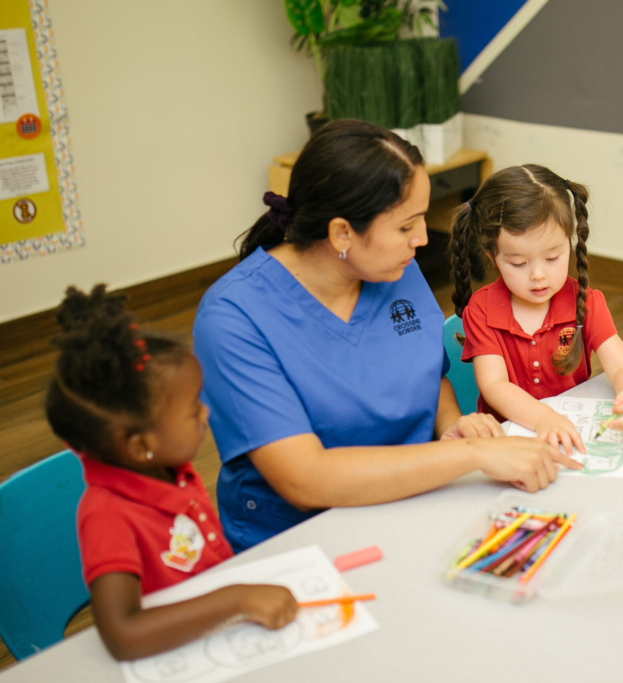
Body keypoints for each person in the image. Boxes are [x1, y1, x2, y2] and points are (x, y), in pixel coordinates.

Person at [193, 120, 579, 553]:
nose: (422, 238)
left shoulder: (396, 268)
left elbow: (428, 376)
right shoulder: (233, 319)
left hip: (414, 499)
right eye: (406, 225)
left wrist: (454, 425)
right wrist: (469, 456)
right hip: (302, 540)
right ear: (342, 233)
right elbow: (305, 478)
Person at [45, 285, 297, 661]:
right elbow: (123, 635)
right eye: (192, 408)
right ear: (140, 446)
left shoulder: (168, 469)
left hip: (218, 638)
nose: (205, 412)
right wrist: (236, 599)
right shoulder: (106, 515)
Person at [449, 164, 623, 455]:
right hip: (509, 445)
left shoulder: (586, 302)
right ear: (493, 256)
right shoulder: (483, 310)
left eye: (553, 257)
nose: (538, 275)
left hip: (572, 436)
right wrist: (544, 419)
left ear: (569, 243)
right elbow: (494, 385)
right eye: (519, 264)